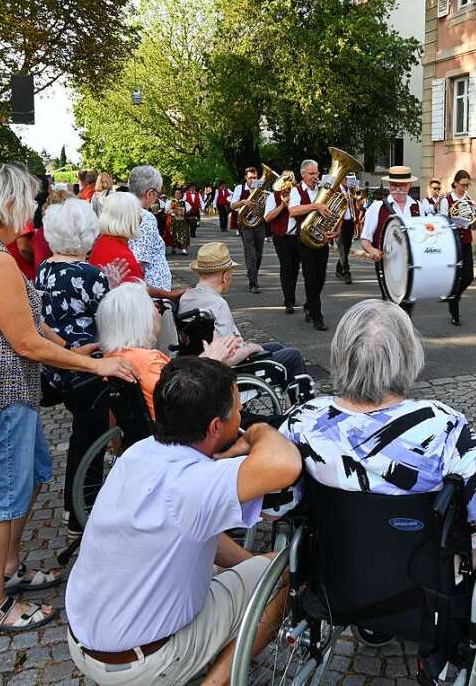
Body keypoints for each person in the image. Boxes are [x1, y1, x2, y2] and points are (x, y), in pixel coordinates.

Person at [0, 163, 135, 634]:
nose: (34, 211)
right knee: (2, 497)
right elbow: (24, 341)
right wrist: (95, 364)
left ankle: (10, 566)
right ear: (7, 203)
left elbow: (31, 324)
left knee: (36, 474)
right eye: (28, 201)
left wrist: (68, 349)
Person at [65, 357, 302, 686]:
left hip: (85, 641)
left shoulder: (139, 452)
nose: (241, 414)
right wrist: (259, 431)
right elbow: (283, 464)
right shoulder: (197, 484)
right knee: (284, 571)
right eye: (237, 409)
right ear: (215, 427)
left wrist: (249, 567)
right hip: (144, 664)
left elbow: (199, 529)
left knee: (254, 572)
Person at [262, 299, 476, 550]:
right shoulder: (441, 425)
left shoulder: (304, 420)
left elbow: (273, 509)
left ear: (342, 354)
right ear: (408, 356)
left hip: (333, 577)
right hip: (422, 586)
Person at [34, 198, 112, 537]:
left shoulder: (44, 269)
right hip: (86, 364)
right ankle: (81, 509)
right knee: (89, 435)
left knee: (85, 433)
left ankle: (78, 505)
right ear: (89, 234)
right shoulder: (91, 275)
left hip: (53, 362)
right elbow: (107, 320)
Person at [97, 282, 251, 416]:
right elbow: (183, 399)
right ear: (141, 320)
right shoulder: (147, 361)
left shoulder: (113, 357)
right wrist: (209, 361)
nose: (158, 311)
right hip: (188, 429)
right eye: (153, 307)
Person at [179, 242, 307, 382]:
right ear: (226, 276)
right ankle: (302, 398)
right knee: (293, 355)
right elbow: (228, 355)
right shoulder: (218, 304)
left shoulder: (186, 297)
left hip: (197, 359)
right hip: (228, 369)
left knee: (276, 347)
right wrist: (251, 348)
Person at [360, 166, 424, 317]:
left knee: (407, 307)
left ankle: (400, 335)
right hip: (387, 264)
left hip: (412, 265)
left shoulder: (418, 207)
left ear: (409, 185)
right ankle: (396, 336)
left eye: (402, 185)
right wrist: (372, 250)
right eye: (394, 185)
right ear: (390, 185)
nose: (398, 189)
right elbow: (365, 239)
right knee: (392, 307)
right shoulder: (378, 207)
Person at [288, 158, 335, 331]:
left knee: (321, 278)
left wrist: (334, 231)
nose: (316, 177)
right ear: (303, 174)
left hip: (322, 239)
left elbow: (333, 213)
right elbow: (293, 211)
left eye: (317, 173)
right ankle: (317, 316)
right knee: (311, 277)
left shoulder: (324, 190)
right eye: (312, 174)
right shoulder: (296, 191)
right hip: (304, 240)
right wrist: (315, 205)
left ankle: (309, 304)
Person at [127, 166, 183, 303]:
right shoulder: (145, 217)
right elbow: (139, 262)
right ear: (150, 193)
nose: (157, 197)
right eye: (157, 193)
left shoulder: (124, 211)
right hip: (152, 294)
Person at [439, 170, 476, 326]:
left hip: (466, 242)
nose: (465, 189)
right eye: (463, 185)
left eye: (467, 185)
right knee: (455, 276)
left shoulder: (469, 201)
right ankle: (454, 312)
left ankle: (454, 296)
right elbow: (443, 223)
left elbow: (474, 227)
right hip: (452, 242)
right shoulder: (446, 200)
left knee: (469, 276)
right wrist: (455, 222)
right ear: (455, 183)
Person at [264, 172, 302, 314]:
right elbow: (267, 218)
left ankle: (290, 294)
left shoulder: (299, 193)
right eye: (284, 178)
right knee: (286, 267)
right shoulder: (272, 196)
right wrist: (282, 205)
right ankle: (289, 300)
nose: (287, 181)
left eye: (290, 178)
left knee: (295, 267)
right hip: (281, 237)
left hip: (298, 236)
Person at [229, 166, 266, 294]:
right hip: (245, 223)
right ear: (246, 177)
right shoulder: (239, 188)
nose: (252, 180)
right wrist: (244, 202)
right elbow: (232, 205)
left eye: (255, 177)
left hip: (259, 223)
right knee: (250, 252)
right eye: (250, 178)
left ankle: (252, 273)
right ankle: (253, 283)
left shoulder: (261, 188)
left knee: (259, 254)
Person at [333, 176, 359, 285]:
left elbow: (354, 206)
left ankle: (339, 268)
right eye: (345, 179)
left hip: (350, 222)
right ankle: (346, 272)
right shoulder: (336, 190)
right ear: (341, 179)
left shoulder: (351, 190)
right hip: (340, 223)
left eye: (348, 180)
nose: (347, 182)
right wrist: (345, 198)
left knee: (347, 248)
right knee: (342, 248)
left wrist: (353, 198)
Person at [167, 187, 192, 256]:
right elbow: (166, 211)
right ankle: (173, 248)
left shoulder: (184, 202)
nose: (178, 194)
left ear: (181, 194)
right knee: (173, 234)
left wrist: (186, 212)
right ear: (174, 194)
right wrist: (172, 211)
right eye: (176, 193)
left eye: (179, 193)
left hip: (183, 221)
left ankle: (184, 249)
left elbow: (189, 211)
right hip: (173, 221)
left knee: (184, 235)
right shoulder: (170, 202)